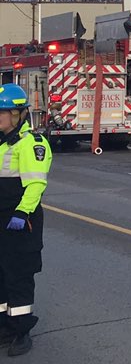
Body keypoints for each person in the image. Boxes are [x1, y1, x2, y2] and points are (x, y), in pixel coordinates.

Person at [0, 84, 52, 357]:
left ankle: (22, 331)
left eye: (1, 113)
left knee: (19, 276)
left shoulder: (32, 144)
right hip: (0, 220)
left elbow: (35, 185)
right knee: (0, 275)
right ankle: (4, 327)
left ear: (16, 114)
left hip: (20, 222)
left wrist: (21, 213)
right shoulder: (2, 143)